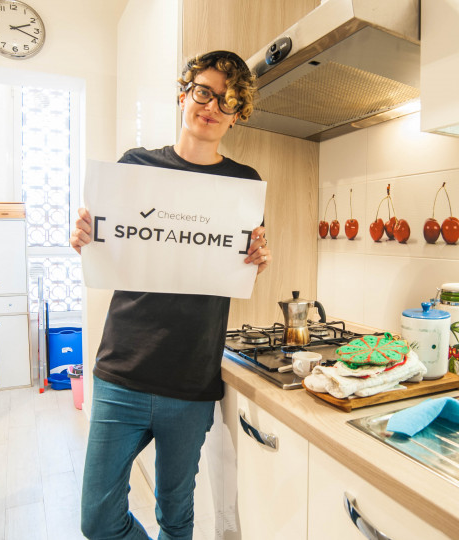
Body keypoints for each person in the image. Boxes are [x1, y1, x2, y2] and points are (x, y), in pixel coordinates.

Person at [71, 50, 270, 540]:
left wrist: (257, 258)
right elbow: (108, 244)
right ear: (184, 95)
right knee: (98, 522)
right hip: (123, 371)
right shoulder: (135, 167)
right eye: (203, 92)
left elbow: (236, 265)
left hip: (191, 381)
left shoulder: (243, 186)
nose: (212, 106)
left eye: (227, 101)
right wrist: (86, 236)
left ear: (237, 115)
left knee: (177, 520)